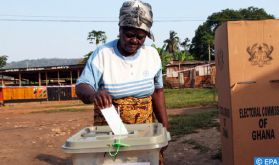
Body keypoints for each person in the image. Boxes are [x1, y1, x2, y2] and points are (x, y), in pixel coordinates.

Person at [76, 0, 169, 164]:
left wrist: (164, 129)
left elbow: (157, 92)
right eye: (129, 35)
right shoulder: (103, 54)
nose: (134, 41)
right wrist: (94, 94)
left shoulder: (152, 55)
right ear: (120, 29)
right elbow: (83, 86)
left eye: (140, 37)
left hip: (144, 135)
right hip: (110, 136)